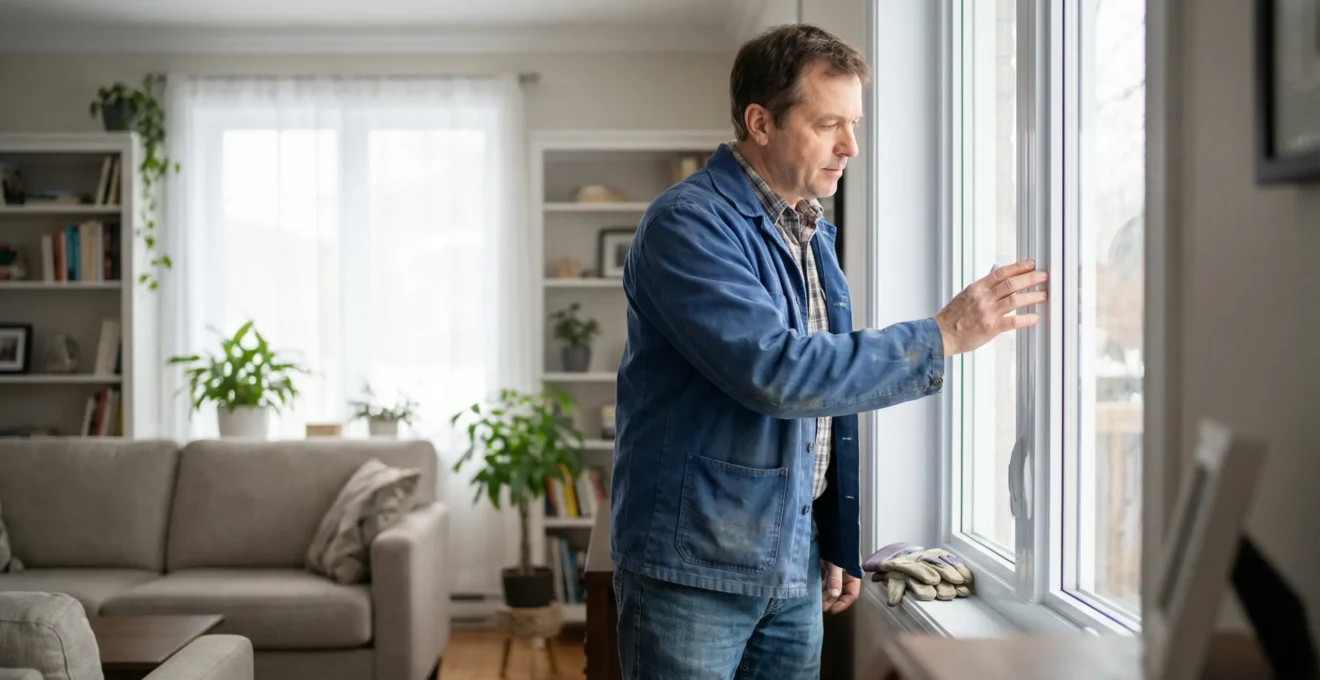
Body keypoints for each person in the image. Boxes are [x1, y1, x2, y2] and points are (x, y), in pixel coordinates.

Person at [609, 23, 1048, 678]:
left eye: (854, 124)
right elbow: (776, 373)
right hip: (693, 571)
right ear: (761, 122)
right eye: (828, 125)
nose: (851, 146)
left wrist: (835, 537)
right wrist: (942, 335)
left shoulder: (811, 233)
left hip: (792, 563)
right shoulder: (688, 223)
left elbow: (825, 410)